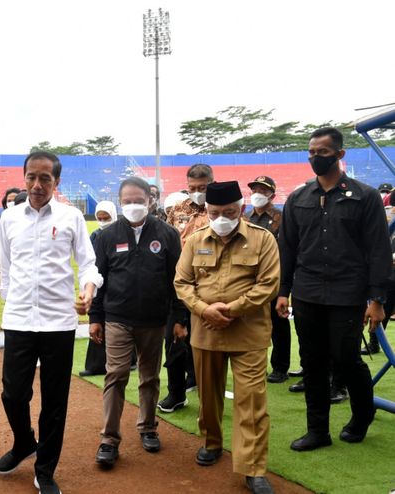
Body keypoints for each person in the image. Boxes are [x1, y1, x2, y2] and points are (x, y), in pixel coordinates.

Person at [0, 151, 103, 494]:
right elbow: (5, 268)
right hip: (19, 320)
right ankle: (25, 441)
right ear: (24, 177)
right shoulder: (9, 218)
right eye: (31, 177)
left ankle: (45, 470)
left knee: (55, 400)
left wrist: (88, 290)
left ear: (56, 182)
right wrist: (12, 298)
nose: (37, 185)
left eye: (45, 179)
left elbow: (88, 264)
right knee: (13, 394)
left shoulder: (71, 217)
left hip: (59, 322)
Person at [277, 127, 391, 452]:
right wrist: (283, 291)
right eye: (311, 152)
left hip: (347, 293)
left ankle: (361, 415)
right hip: (307, 292)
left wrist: (377, 299)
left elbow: (378, 250)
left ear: (340, 154)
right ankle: (317, 431)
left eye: (323, 152)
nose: (315, 157)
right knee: (312, 361)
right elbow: (287, 248)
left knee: (346, 359)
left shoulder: (365, 196)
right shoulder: (299, 198)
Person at [174, 181, 280, 494]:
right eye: (215, 212)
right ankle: (211, 442)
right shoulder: (195, 241)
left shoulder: (263, 240)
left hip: (249, 333)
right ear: (206, 211)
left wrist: (231, 310)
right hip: (206, 332)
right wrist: (203, 310)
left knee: (251, 402)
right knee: (208, 397)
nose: (222, 217)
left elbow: (269, 284)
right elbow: (182, 282)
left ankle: (253, 468)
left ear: (242, 209)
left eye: (229, 212)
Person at [88, 177, 185, 469]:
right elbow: (98, 278)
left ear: (150, 201)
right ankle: (109, 439)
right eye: (127, 201)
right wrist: (95, 317)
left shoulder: (167, 234)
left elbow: (177, 280)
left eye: (138, 200)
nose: (132, 206)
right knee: (115, 374)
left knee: (150, 376)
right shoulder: (107, 236)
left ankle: (148, 427)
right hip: (117, 317)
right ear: (120, 202)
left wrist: (179, 318)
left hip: (154, 319)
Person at [158, 164, 213, 413]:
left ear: (212, 182)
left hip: (209, 285)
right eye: (193, 188)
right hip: (178, 285)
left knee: (207, 345)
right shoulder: (178, 210)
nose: (198, 192)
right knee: (175, 340)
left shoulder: (220, 209)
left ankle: (209, 397)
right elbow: (169, 241)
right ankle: (176, 393)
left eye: (203, 187)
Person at [244, 176, 291, 384]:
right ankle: (254, 365)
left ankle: (281, 367)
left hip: (273, 277)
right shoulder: (246, 217)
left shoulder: (281, 217)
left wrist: (284, 286)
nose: (257, 194)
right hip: (250, 279)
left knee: (278, 324)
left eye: (262, 191)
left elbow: (286, 250)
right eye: (255, 189)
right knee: (252, 324)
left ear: (272, 194)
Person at [80, 200, 118, 377]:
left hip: (115, 284)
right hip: (96, 281)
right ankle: (96, 364)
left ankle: (129, 360)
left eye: (106, 217)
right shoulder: (95, 235)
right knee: (97, 318)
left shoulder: (120, 234)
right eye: (100, 218)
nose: (102, 221)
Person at [0, 187, 23, 288]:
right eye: (9, 201)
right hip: (5, 265)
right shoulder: (2, 220)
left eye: (14, 200)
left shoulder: (30, 219)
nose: (11, 203)